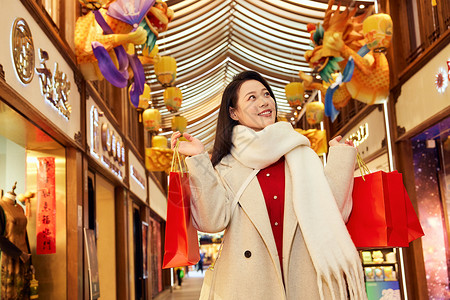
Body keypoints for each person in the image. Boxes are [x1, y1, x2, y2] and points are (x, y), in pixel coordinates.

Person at [171, 70, 367, 299]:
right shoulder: (225, 166)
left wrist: (340, 159)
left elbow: (335, 213)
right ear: (233, 112)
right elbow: (212, 222)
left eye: (266, 94)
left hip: (305, 281)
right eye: (251, 97)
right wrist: (198, 159)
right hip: (248, 285)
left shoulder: (301, 155)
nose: (264, 101)